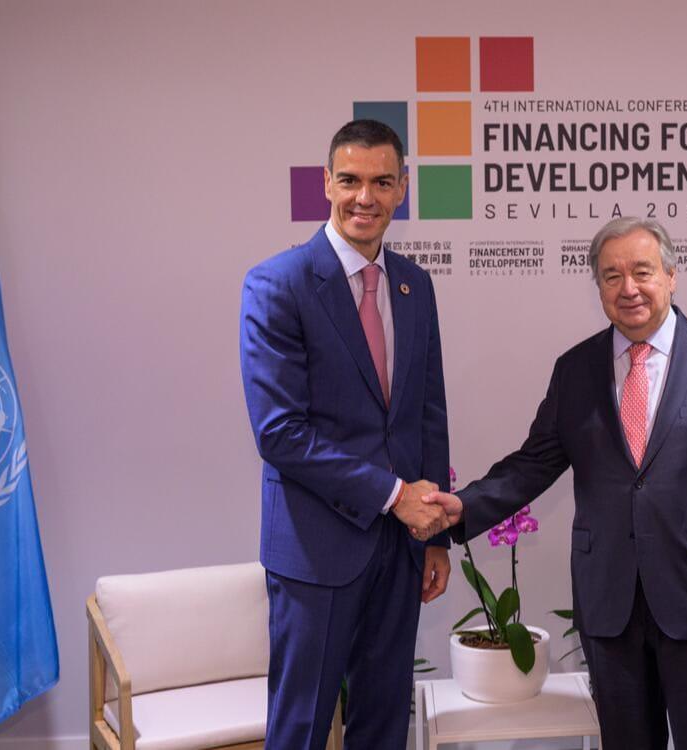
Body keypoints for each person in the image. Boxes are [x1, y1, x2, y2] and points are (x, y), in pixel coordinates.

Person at [424, 216, 687, 750]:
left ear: (671, 276)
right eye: (612, 276)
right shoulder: (576, 370)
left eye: (642, 271)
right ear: (599, 288)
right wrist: (462, 507)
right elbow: (533, 463)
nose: (628, 288)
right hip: (611, 604)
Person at [240, 119, 451, 750]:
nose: (366, 197)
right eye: (351, 180)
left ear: (402, 188)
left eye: (382, 182)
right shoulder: (278, 283)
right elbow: (280, 433)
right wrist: (394, 495)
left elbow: (427, 413)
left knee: (383, 725)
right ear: (326, 183)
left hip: (401, 546)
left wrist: (435, 533)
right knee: (301, 728)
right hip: (316, 549)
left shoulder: (415, 285)